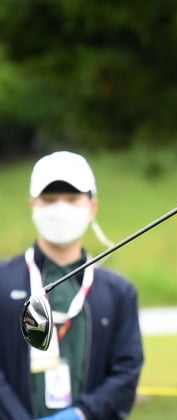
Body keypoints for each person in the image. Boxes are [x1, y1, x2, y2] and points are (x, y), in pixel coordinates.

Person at [0, 151, 144, 420]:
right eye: (50, 200)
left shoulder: (119, 293)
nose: (60, 209)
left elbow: (126, 373)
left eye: (72, 199)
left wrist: (82, 414)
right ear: (33, 205)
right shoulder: (2, 281)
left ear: (92, 207)